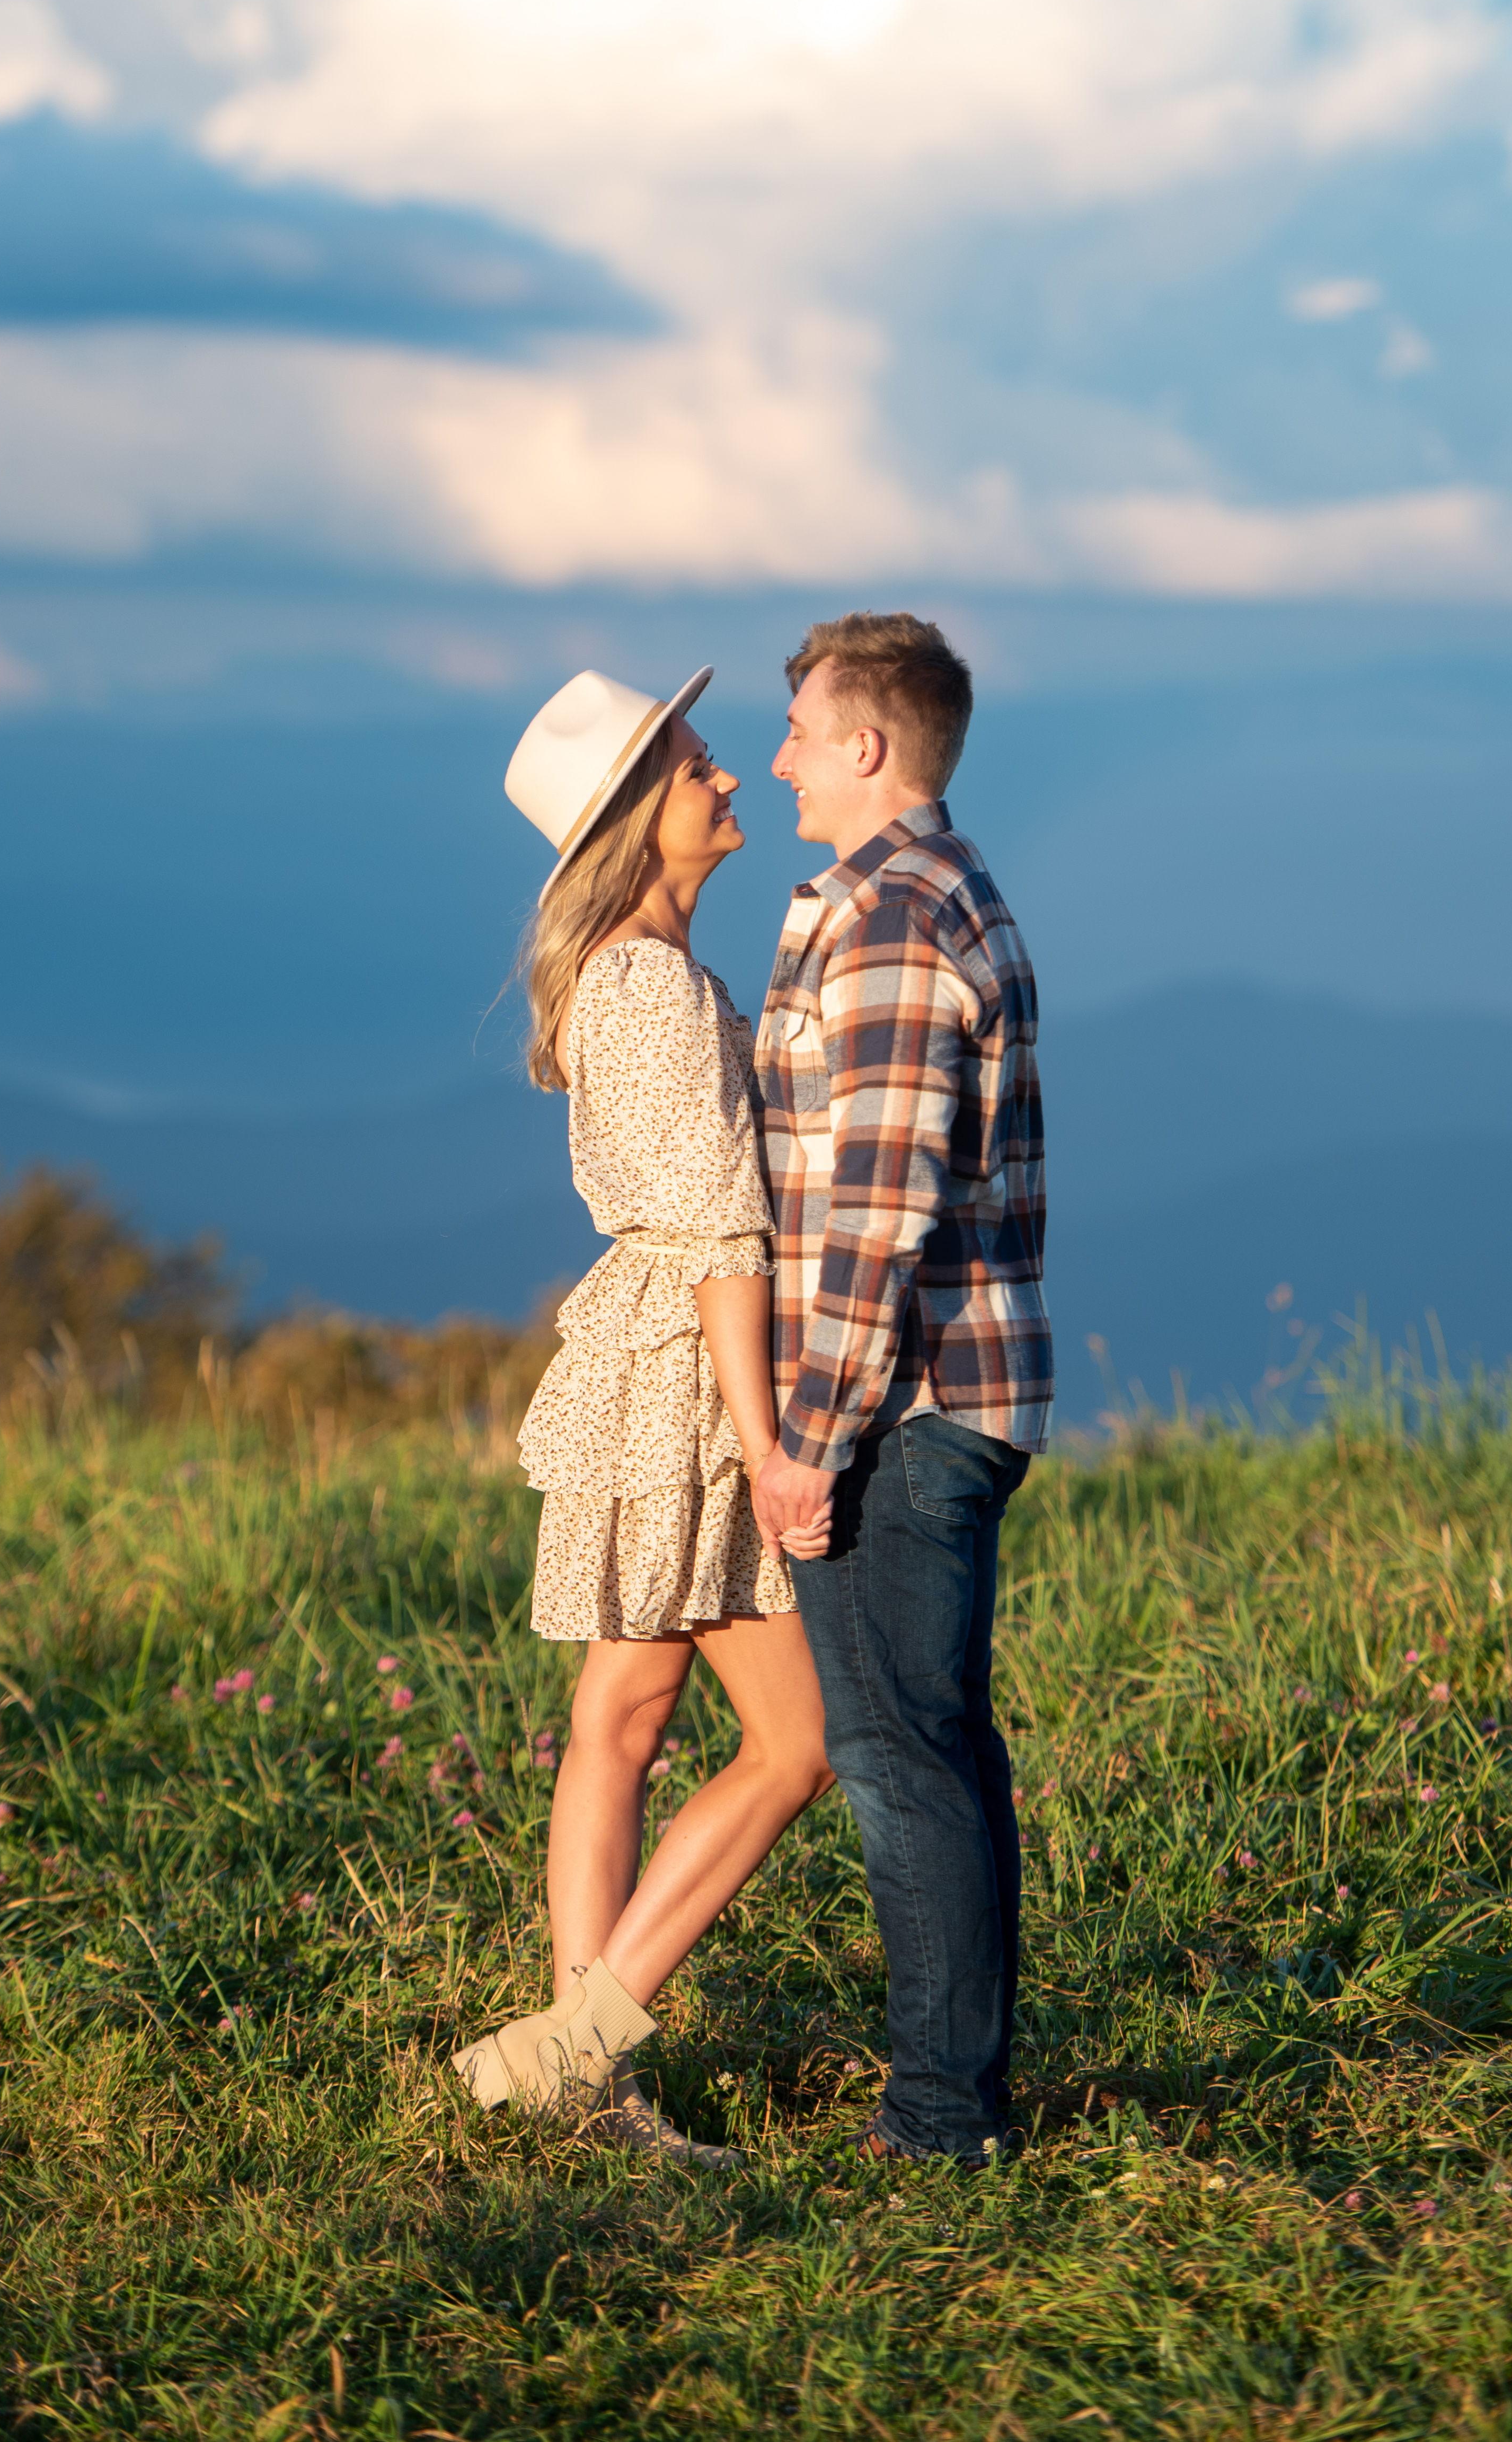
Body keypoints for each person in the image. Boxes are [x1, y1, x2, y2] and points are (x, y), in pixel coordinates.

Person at [449, 664, 836, 2162]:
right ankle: (577, 2046)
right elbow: (724, 1235)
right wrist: (767, 1439)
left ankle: (586, 2090)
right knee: (795, 1744)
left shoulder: (626, 974)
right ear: (636, 817)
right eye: (697, 770)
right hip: (686, 1369)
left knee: (619, 1719)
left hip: (643, 1357)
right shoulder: (656, 985)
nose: (729, 782)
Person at [745, 613, 1052, 2169]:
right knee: (938, 1749)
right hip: (946, 1402)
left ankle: (942, 2123)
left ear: (869, 746)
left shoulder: (890, 922)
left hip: (905, 1411)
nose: (778, 756)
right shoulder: (920, 894)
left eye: (800, 730)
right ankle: (963, 2092)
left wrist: (807, 1448)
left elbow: (874, 1214)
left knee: (893, 1761)